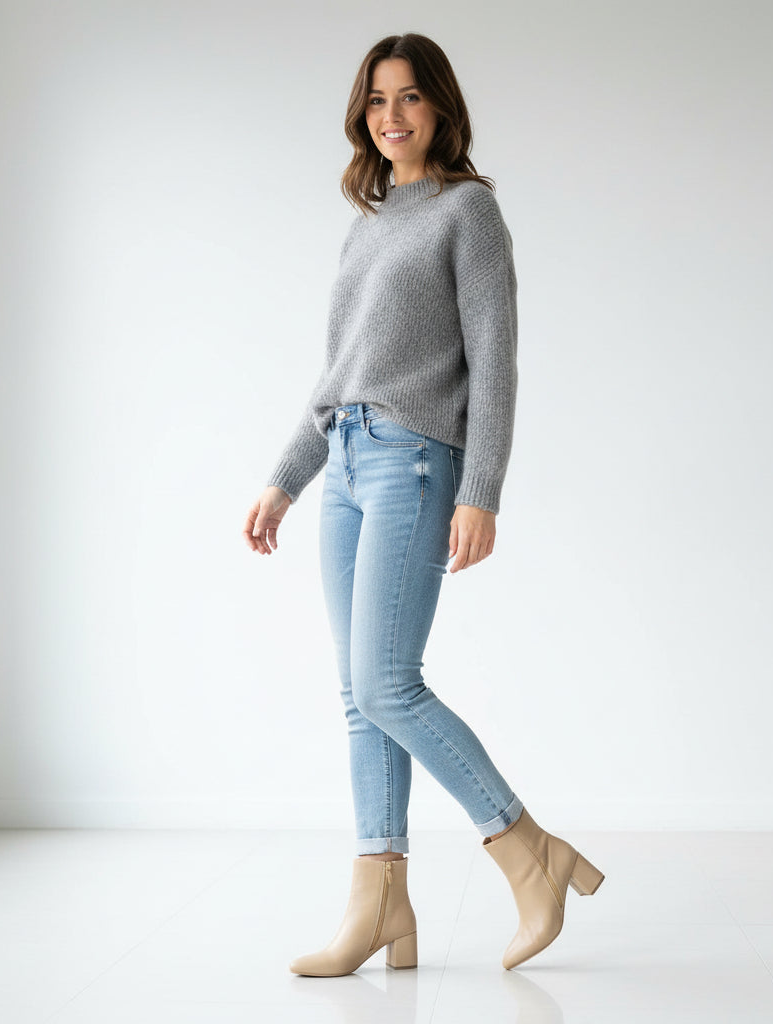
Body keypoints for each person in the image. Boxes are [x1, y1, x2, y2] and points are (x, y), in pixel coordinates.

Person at [242, 33, 604, 976]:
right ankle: (381, 903)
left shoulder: (468, 211)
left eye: (408, 97)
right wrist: (286, 478)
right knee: (360, 699)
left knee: (387, 684)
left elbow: (496, 363)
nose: (391, 116)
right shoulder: (367, 225)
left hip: (412, 462)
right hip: (346, 460)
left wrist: (481, 491)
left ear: (441, 106)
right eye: (376, 100)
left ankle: (526, 849)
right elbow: (341, 375)